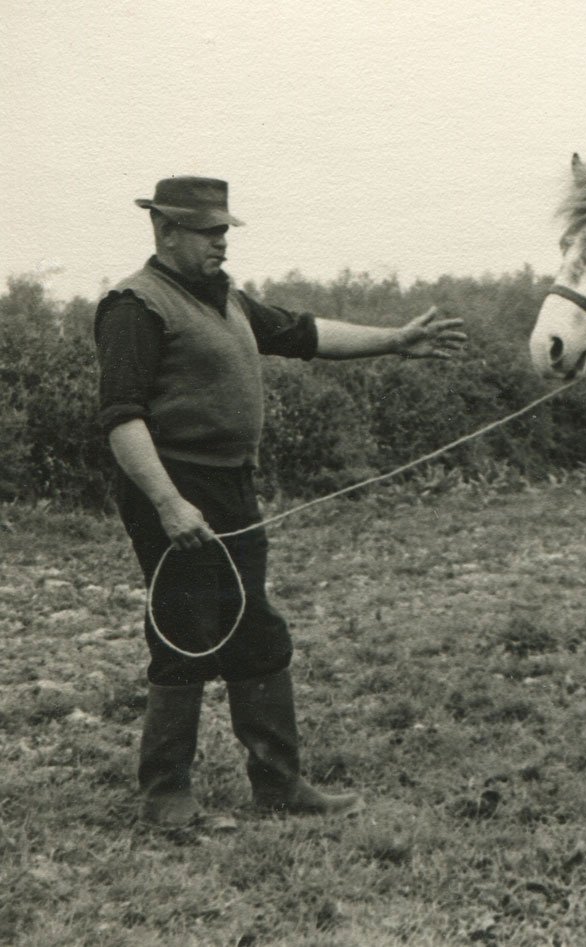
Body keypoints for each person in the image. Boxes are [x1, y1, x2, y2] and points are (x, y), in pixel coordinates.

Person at [95, 176, 466, 828]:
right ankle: (165, 799)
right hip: (176, 487)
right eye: (210, 232)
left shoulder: (227, 298)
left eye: (224, 231)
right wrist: (169, 503)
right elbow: (123, 419)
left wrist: (394, 339)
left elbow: (304, 333)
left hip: (234, 484)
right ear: (166, 230)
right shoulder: (135, 306)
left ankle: (279, 783)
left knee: (257, 629)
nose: (221, 243)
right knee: (186, 631)